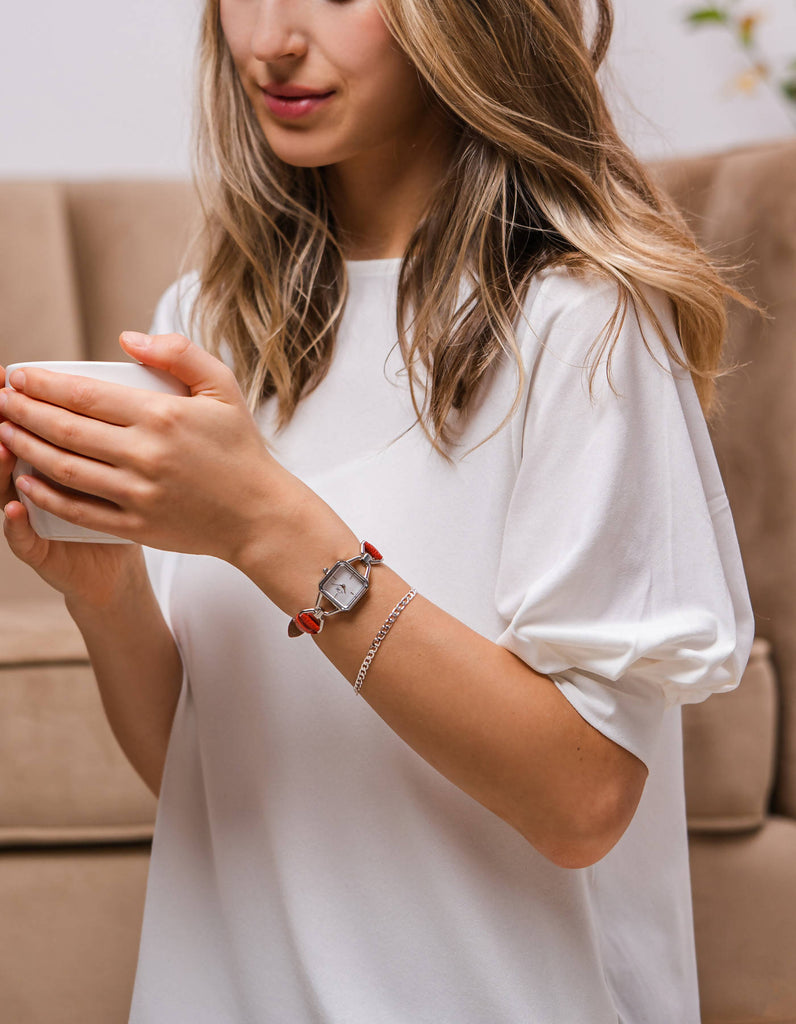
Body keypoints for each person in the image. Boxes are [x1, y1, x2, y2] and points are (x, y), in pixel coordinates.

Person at [0, 1, 755, 1021]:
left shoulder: (582, 323)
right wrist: (105, 591)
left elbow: (581, 802)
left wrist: (267, 526)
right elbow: (203, 770)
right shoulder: (212, 318)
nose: (272, 38)